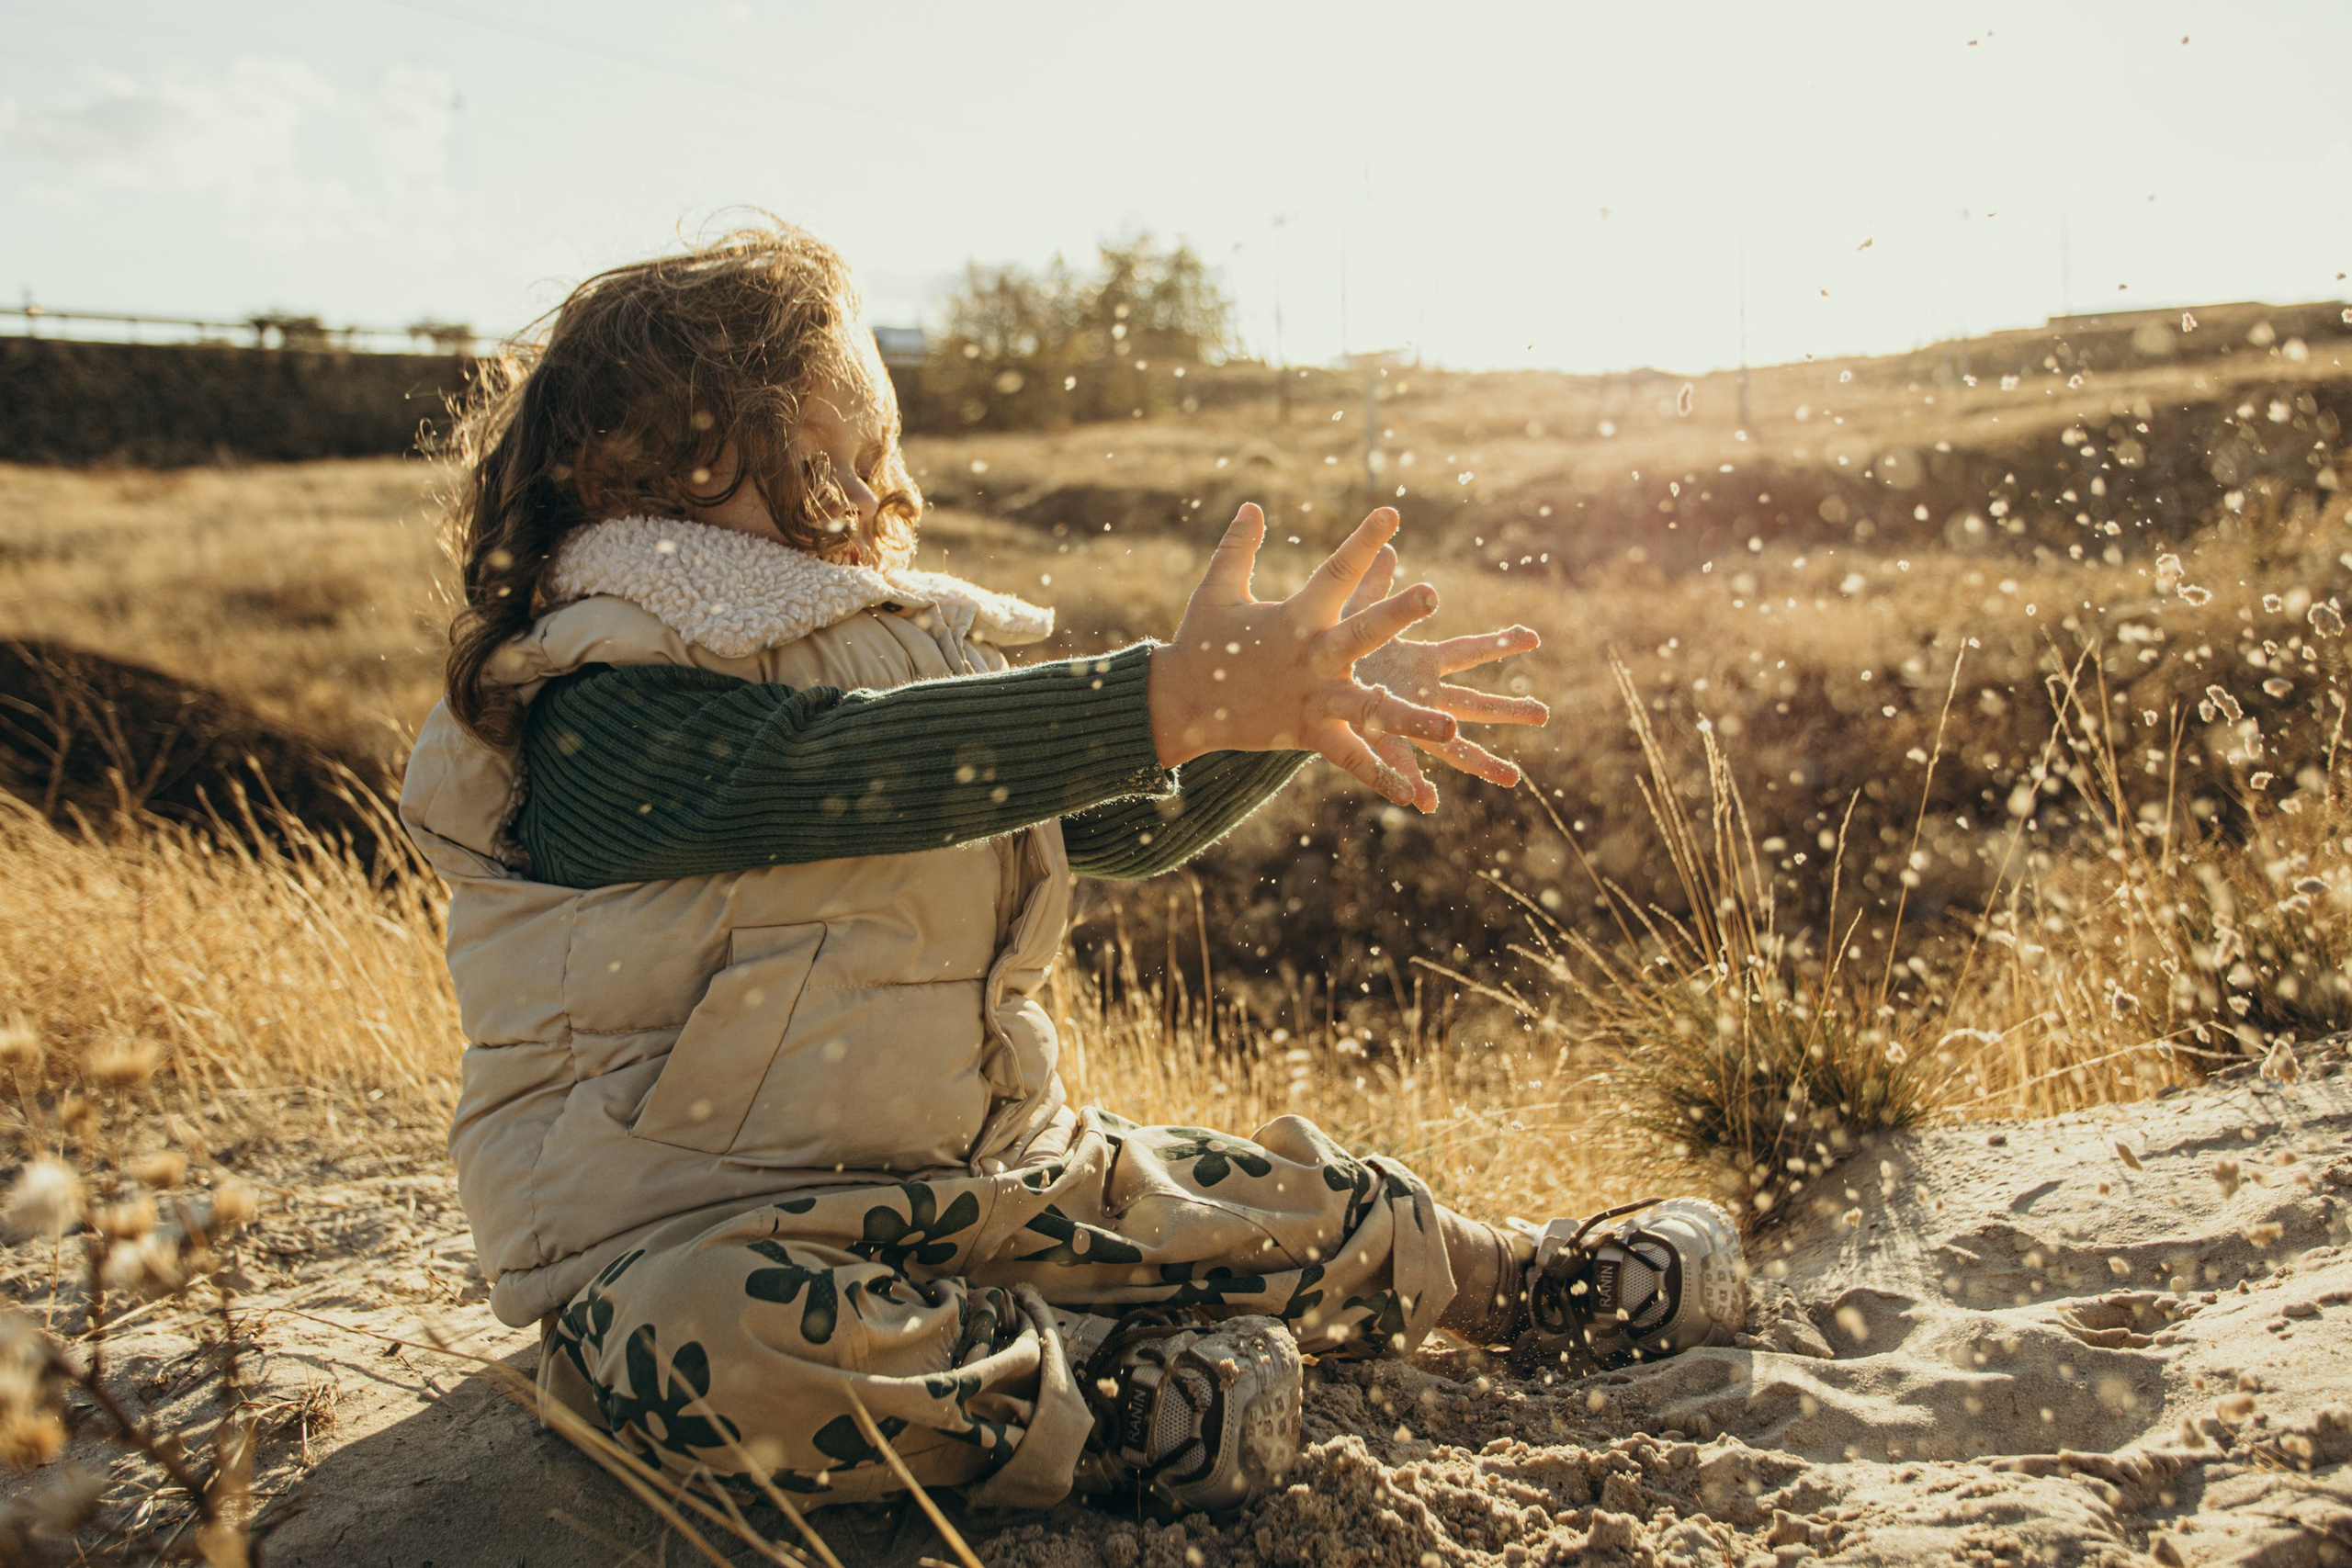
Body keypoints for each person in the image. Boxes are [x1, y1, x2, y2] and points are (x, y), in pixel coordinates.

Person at [399, 219, 1747, 1517]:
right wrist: (1163, 697)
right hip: (700, 1235)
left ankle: (1516, 1279)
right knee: (704, 1349)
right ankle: (1108, 1403)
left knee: (1224, 1198)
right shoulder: (592, 700)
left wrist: (1263, 720)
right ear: (637, 466)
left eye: (879, 461)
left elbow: (1109, 823)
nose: (868, 501)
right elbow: (830, 772)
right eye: (820, 465)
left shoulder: (900, 651)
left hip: (988, 1185)